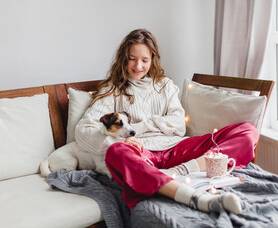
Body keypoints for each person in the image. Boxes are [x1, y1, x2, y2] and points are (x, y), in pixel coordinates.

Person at [75, 29, 259, 214]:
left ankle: (174, 174)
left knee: (247, 131)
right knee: (115, 152)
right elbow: (83, 130)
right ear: (124, 58)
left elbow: (179, 126)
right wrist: (115, 141)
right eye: (132, 58)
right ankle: (196, 199)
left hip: (176, 149)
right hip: (141, 154)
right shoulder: (113, 89)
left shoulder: (165, 85)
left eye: (145, 60)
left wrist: (143, 125)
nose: (138, 65)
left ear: (152, 59)